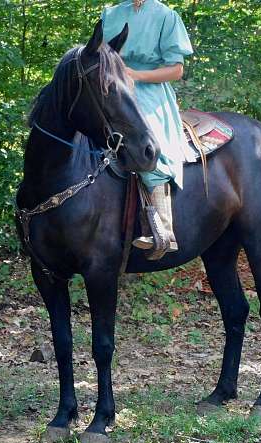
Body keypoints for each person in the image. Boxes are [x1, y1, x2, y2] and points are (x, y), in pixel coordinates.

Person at [101, 0, 194, 257]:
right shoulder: (111, 14)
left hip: (148, 90)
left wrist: (135, 75)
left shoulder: (166, 15)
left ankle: (163, 228)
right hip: (111, 86)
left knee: (146, 140)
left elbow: (176, 70)